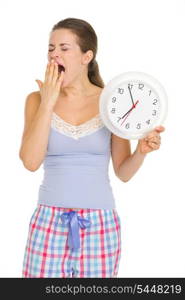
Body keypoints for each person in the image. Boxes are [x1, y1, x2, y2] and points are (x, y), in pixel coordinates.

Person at [19, 18, 165, 278]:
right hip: (48, 222)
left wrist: (141, 151)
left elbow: (123, 172)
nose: (55, 54)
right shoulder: (36, 99)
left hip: (100, 224)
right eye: (51, 48)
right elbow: (30, 162)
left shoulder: (111, 101)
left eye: (64, 48)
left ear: (87, 56)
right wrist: (48, 102)